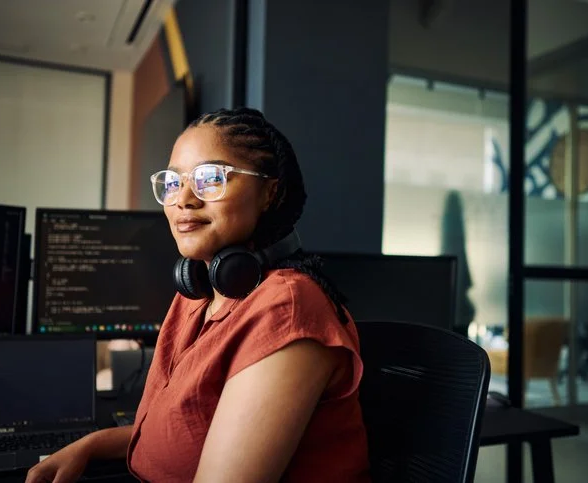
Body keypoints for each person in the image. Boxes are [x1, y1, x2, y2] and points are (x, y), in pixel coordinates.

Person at [25, 107, 371, 483]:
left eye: (211, 178)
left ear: (269, 192)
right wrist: (92, 444)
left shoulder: (287, 309)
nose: (183, 198)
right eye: (173, 182)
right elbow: (180, 433)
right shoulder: (199, 292)